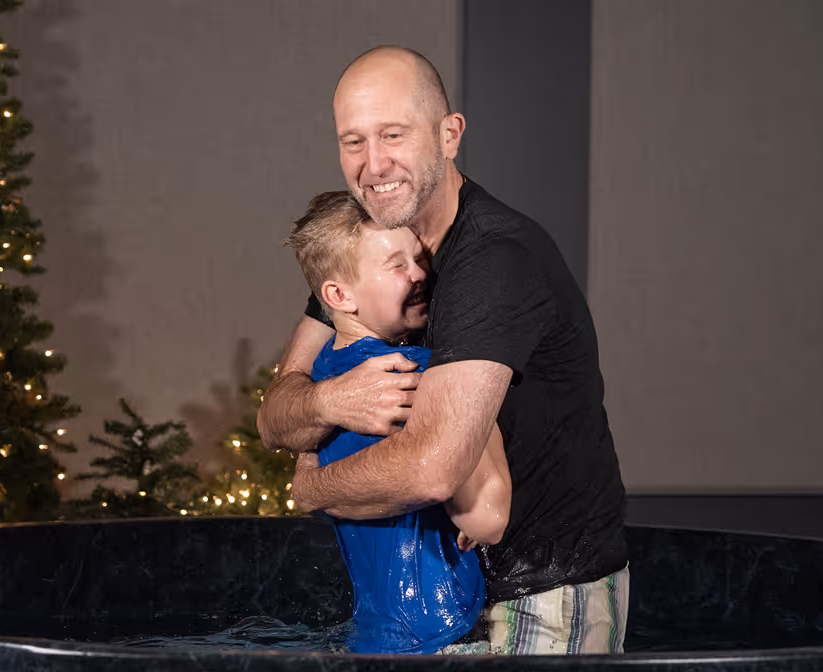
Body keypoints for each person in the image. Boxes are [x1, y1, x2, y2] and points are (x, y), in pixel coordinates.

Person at [258, 45, 629, 655]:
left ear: (449, 135)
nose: (373, 165)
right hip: (445, 597)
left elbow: (432, 469)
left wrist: (311, 487)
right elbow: (274, 416)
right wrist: (329, 399)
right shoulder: (366, 250)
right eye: (353, 141)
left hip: (542, 592)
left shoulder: (494, 262)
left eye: (393, 134)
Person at [284, 190, 510, 654]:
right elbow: (486, 520)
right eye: (397, 265)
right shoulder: (416, 372)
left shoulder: (324, 374)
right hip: (442, 625)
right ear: (338, 295)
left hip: (375, 631)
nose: (422, 273)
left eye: (419, 256)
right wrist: (479, 412)